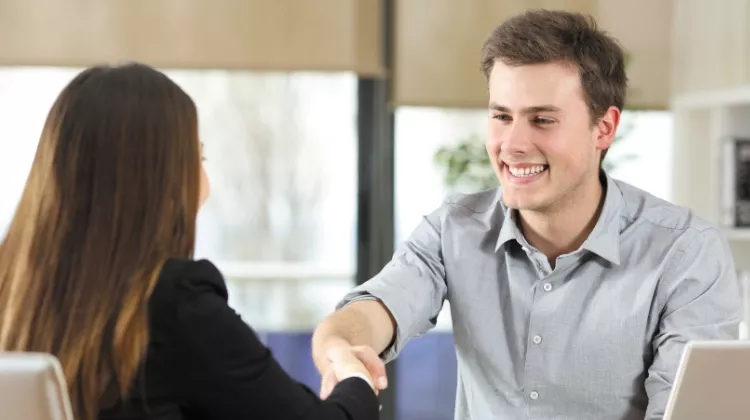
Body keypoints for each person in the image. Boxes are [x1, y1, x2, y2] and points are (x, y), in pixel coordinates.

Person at [311, 9, 743, 420]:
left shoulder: (685, 251)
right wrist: (344, 346)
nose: (512, 144)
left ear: (605, 128)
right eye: (501, 116)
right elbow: (376, 308)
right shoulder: (454, 229)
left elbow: (684, 411)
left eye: (541, 120)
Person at [0, 63, 382, 420]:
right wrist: (354, 377)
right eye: (197, 158)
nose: (205, 185)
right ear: (157, 180)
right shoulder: (176, 303)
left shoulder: (14, 296)